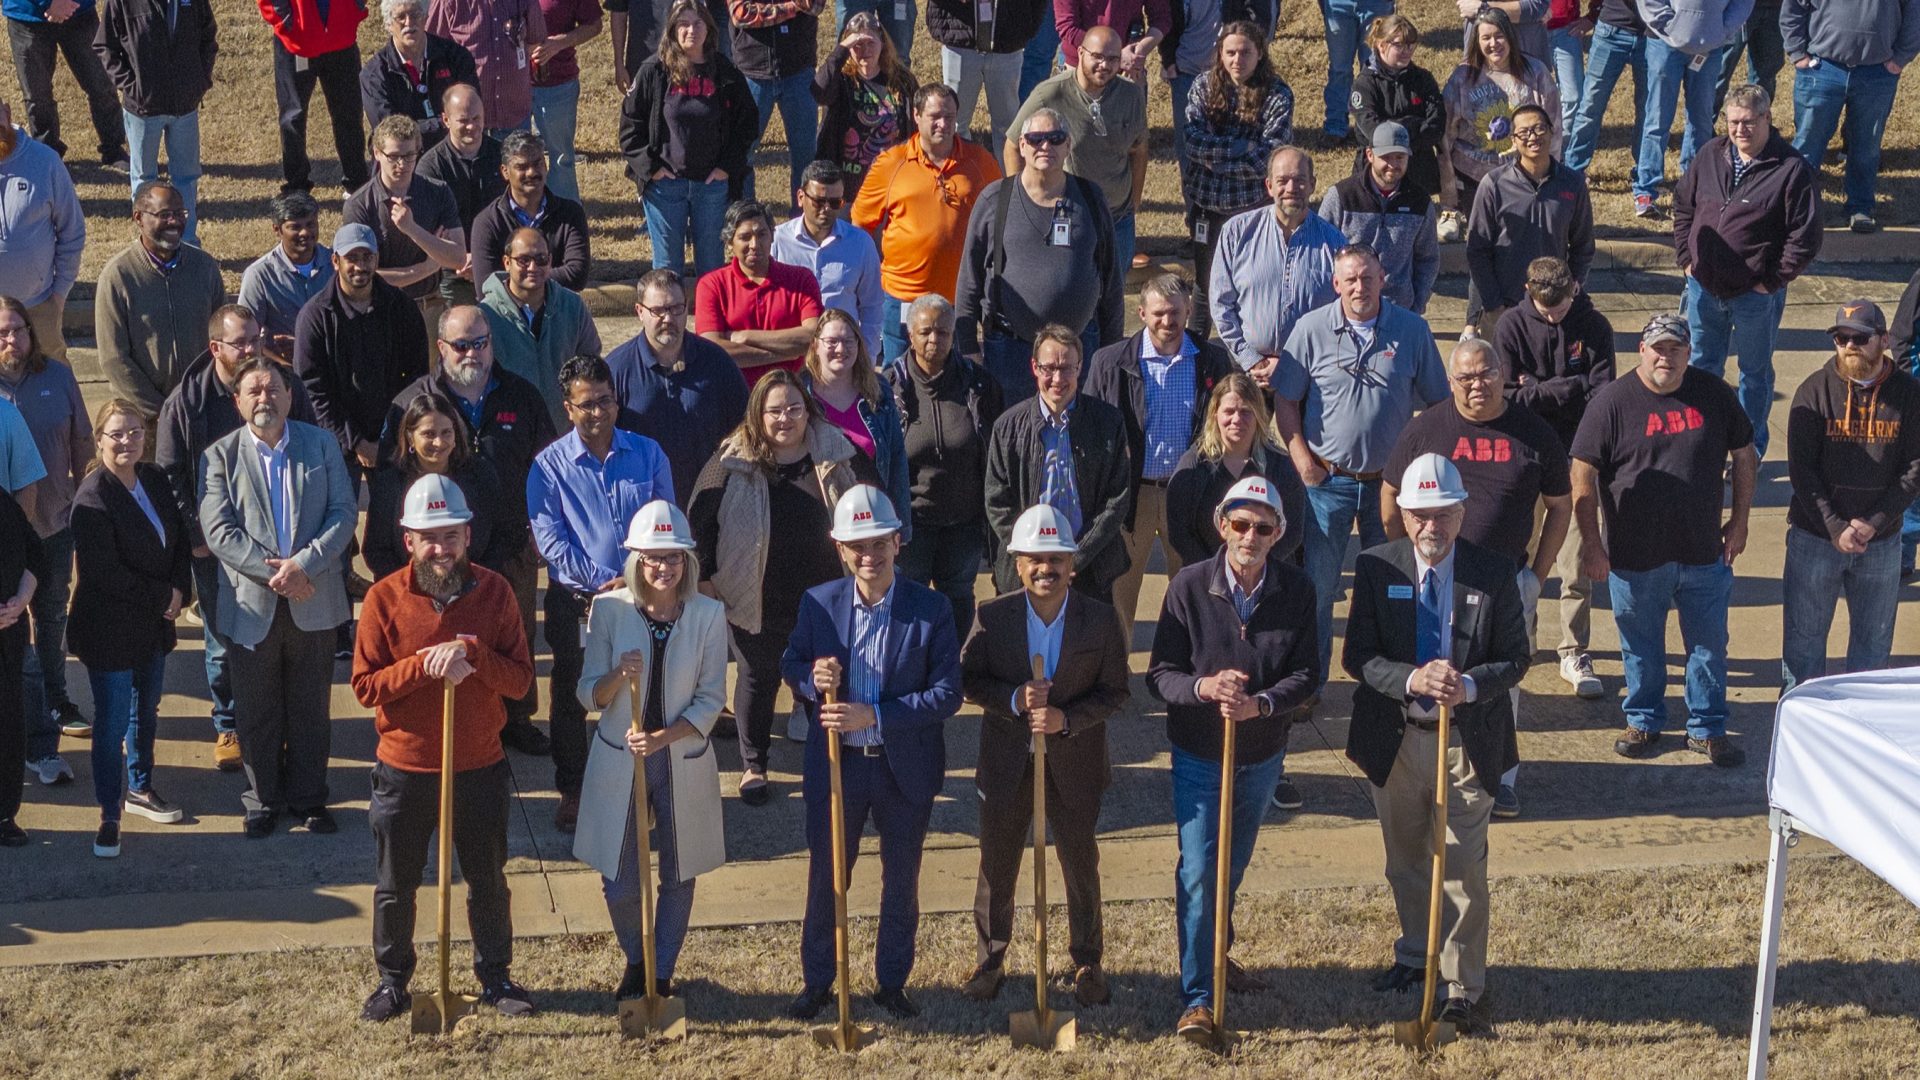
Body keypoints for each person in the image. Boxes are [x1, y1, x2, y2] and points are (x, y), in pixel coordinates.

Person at [1342, 452, 1530, 1036]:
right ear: (1401, 514)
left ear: (1461, 513)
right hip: (1395, 741)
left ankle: (1462, 988)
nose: (1432, 527)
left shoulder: (1494, 574)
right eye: (1421, 515)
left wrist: (1469, 685)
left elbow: (1517, 659)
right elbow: (1357, 657)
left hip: (1467, 744)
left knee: (1462, 868)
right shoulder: (1376, 568)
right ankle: (1416, 955)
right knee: (1405, 861)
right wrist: (1409, 679)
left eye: (1443, 515)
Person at [351, 473, 536, 1022]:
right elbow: (365, 687)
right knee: (396, 883)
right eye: (429, 537)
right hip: (404, 768)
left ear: (468, 536)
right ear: (408, 539)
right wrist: (421, 666)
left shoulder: (496, 592)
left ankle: (496, 977)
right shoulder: (383, 598)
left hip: (478, 763)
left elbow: (522, 683)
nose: (440, 548)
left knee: (487, 880)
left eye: (450, 535)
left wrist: (475, 655)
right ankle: (392, 982)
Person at [780, 484, 964, 1023]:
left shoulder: (931, 609)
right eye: (858, 545)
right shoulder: (819, 603)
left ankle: (890, 983)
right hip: (835, 768)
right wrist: (811, 680)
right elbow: (791, 661)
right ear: (840, 549)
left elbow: (947, 693)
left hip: (902, 768)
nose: (869, 555)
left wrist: (875, 715)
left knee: (901, 879)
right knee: (827, 878)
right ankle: (818, 983)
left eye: (879, 542)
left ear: (898, 541)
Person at [1148, 474, 1316, 1041]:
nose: (1249, 535)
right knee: (1198, 869)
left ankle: (1217, 954)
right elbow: (1160, 675)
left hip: (1262, 753)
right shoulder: (1187, 586)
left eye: (1261, 527)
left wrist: (1263, 705)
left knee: (1231, 866)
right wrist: (1204, 688)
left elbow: (1308, 674)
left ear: (1278, 535)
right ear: (1222, 526)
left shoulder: (1297, 590)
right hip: (1198, 752)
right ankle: (1197, 999)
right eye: (1239, 523)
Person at [1382, 338, 1571, 819]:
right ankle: (1428, 772)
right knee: (1429, 672)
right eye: (1465, 378)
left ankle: (1499, 777)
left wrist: (1537, 575)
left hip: (1505, 585)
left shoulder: (1534, 432)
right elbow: (1390, 495)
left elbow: (1559, 506)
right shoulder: (1428, 429)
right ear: (1450, 382)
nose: (1476, 385)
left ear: (1503, 372)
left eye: (1485, 374)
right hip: (1436, 581)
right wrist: (1406, 558)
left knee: (1500, 681)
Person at [959, 503, 1130, 1005]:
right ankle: (990, 960)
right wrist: (1014, 699)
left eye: (1056, 559)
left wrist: (1066, 719)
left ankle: (1087, 961)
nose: (1045, 569)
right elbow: (969, 680)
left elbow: (1116, 691)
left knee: (1081, 864)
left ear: (1072, 564)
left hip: (1074, 764)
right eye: (1034, 559)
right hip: (1008, 762)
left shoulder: (1099, 620)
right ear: (1016, 563)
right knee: (998, 865)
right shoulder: (992, 618)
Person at [1570, 313, 1757, 767]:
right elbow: (1581, 476)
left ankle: (1707, 728)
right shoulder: (1612, 403)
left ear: (1688, 353)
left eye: (1675, 349)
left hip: (1703, 553)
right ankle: (1645, 720)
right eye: (1657, 348)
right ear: (1641, 349)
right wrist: (1592, 546)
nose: (1665, 357)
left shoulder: (1714, 394)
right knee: (1641, 647)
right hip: (1635, 558)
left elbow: (1745, 455)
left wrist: (1740, 522)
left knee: (1709, 647)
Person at [687, 369, 880, 805]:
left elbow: (873, 501)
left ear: (807, 410)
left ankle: (826, 759)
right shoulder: (729, 462)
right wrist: (703, 578)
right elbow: (699, 522)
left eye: (794, 408)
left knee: (823, 680)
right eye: (774, 410)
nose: (785, 418)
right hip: (755, 597)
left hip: (827, 599)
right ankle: (754, 765)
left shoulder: (838, 452)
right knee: (758, 679)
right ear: (758, 414)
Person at [382, 304, 555, 756]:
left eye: (481, 343)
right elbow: (387, 478)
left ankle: (516, 718)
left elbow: (549, 466)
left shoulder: (522, 396)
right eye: (461, 345)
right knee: (442, 641)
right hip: (432, 556)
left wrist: (540, 528)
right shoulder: (411, 402)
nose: (472, 353)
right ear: (441, 348)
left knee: (511, 638)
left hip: (510, 545)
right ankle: (446, 716)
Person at [574, 499, 728, 1001]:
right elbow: (587, 693)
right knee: (618, 878)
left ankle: (661, 973)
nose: (664, 567)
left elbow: (711, 698)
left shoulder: (708, 614)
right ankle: (638, 961)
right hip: (620, 756)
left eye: (674, 557)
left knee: (678, 872)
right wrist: (619, 675)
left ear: (688, 561)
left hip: (678, 755)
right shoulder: (609, 610)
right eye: (653, 557)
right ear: (636, 560)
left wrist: (664, 736)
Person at [1274, 245, 1448, 687]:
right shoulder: (1310, 330)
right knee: (1316, 588)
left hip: (1389, 488)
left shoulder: (1411, 331)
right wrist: (1303, 463)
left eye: (1367, 278)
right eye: (1349, 279)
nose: (1359, 287)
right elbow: (1286, 401)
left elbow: (1439, 404)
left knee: (1390, 587)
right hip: (1325, 482)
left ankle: (1385, 681)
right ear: (1336, 284)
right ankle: (1309, 683)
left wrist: (1416, 468)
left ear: (1382, 279)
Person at [155, 305, 317, 774]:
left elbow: (311, 444)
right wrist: (197, 535)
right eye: (240, 343)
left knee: (278, 634)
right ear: (215, 349)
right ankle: (228, 723)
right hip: (215, 545)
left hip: (280, 538)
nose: (250, 349)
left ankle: (276, 724)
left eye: (254, 338)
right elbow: (170, 475)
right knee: (222, 637)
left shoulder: (285, 386)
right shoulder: (185, 404)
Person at [200, 355, 356, 837]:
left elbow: (344, 512)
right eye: (254, 391)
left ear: (290, 397)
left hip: (314, 598)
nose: (264, 398)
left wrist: (303, 565)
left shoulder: (321, 443)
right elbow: (218, 530)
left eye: (273, 390)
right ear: (238, 401)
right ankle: (262, 800)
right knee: (257, 711)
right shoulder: (219, 456)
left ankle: (310, 799)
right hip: (252, 607)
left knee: (311, 710)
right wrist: (276, 574)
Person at [528, 355, 675, 831]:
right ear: (568, 408)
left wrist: (633, 578)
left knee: (646, 690)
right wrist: (602, 583)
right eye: (587, 404)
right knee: (575, 694)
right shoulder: (547, 467)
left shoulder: (649, 453)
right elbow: (550, 540)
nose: (598, 413)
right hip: (577, 602)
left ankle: (642, 785)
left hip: (643, 595)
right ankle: (573, 788)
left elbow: (664, 521)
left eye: (606, 401)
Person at [68, 398, 192, 857]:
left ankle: (141, 788)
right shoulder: (92, 499)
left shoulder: (154, 479)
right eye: (117, 434)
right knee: (112, 720)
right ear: (99, 440)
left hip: (152, 627)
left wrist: (181, 588)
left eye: (135, 432)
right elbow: (105, 573)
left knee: (147, 710)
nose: (127, 441)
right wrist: (165, 597)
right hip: (110, 630)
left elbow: (177, 539)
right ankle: (109, 811)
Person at [1672, 84, 1821, 459]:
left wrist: (1769, 282)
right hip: (1704, 289)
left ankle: (1749, 451)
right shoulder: (1710, 154)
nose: (1740, 130)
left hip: (1754, 297)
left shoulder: (1791, 169)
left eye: (1749, 122)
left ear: (1767, 118)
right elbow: (1683, 206)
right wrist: (1686, 260)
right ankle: (1703, 442)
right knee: (1703, 366)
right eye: (1733, 121)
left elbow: (1804, 237)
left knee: (1753, 375)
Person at [1084, 272, 1234, 635]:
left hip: (1189, 494)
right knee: (1119, 594)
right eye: (1158, 314)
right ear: (1142, 313)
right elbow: (1088, 428)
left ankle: (1187, 678)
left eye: (1174, 313)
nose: (1167, 322)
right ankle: (1115, 682)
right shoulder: (1110, 362)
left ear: (1188, 311)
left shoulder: (1212, 361)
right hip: (1129, 497)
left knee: (1193, 594)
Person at [1781, 301, 1920, 691]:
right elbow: (1802, 472)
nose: (1850, 346)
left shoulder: (1910, 396)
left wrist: (1873, 523)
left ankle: (1860, 736)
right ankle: (1800, 732)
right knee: (1803, 647)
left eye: (1860, 337)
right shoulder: (1813, 391)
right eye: (1842, 338)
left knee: (1873, 649)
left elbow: (1914, 470)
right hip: (1815, 537)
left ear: (1885, 340)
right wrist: (1836, 527)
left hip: (1882, 542)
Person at [1492, 256, 1614, 699]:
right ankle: (1519, 641)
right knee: (1518, 556)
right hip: (1525, 457)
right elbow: (1506, 397)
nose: (1553, 317)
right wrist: (1568, 385)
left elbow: (1602, 395)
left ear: (1573, 291)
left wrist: (1537, 388)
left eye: (1560, 310)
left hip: (1579, 458)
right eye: (1545, 311)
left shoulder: (1595, 326)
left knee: (1577, 559)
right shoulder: (1509, 327)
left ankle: (1574, 650)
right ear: (1528, 290)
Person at [954, 110, 1124, 403]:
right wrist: (968, 344)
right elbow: (970, 277)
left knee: (1079, 440)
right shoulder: (995, 200)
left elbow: (1110, 280)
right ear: (1021, 145)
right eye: (1035, 139)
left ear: (1068, 145)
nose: (1045, 146)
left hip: (1081, 350)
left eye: (1055, 138)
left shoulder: (1091, 198)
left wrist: (1110, 351)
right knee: (1014, 439)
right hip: (1010, 352)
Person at [0, 294, 90, 769]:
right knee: (13, 627)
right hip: (7, 542)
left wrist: (84, 510)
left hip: (54, 523)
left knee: (52, 618)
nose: (11, 339)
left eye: (18, 329)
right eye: (2, 332)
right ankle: (23, 715)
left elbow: (82, 443)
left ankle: (57, 702)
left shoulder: (57, 376)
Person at [851, 83, 1001, 363]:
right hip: (902, 297)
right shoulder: (891, 163)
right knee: (900, 376)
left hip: (960, 298)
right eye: (935, 116)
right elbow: (860, 224)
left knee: (957, 377)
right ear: (917, 115)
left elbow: (1002, 216)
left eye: (950, 116)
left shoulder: (980, 162)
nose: (943, 124)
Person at [885, 294, 1003, 643]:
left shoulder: (979, 386)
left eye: (943, 332)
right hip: (911, 526)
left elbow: (994, 450)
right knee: (909, 603)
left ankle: (951, 668)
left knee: (958, 599)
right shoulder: (888, 389)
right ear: (910, 333)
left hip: (963, 524)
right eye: (925, 332)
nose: (934, 340)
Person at [984, 325, 1132, 603]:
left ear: (1080, 368)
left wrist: (1076, 556)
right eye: (1049, 368)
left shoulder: (1108, 422)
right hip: (1026, 569)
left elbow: (1117, 498)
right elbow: (997, 502)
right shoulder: (1007, 427)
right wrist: (1035, 555)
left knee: (1088, 646)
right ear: (1034, 367)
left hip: (1090, 567)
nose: (1057, 378)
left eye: (1066, 368)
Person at [622, 0, 757, 280]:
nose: (690, 30)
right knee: (667, 270)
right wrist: (652, 169)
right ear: (671, 30)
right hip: (665, 187)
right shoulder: (653, 72)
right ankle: (666, 323)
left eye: (697, 23)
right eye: (683, 24)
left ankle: (710, 324)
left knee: (712, 268)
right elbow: (630, 128)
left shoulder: (725, 71)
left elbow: (747, 125)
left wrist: (725, 168)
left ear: (709, 28)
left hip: (711, 187)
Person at [1178, 20, 1292, 341]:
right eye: (1230, 52)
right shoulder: (1202, 86)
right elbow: (1193, 143)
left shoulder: (1278, 93)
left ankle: (1247, 351)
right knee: (1204, 284)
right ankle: (1198, 354)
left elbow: (1269, 159)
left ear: (1260, 54)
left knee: (1250, 283)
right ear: (1220, 53)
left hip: (1252, 210)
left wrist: (1217, 160)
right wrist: (1240, 147)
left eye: (1245, 52)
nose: (1237, 60)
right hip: (1208, 208)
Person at [293, 223, 432, 476]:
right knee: (341, 515)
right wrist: (356, 442)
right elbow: (313, 389)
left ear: (377, 258)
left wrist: (394, 435)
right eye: (352, 258)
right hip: (335, 442)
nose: (360, 266)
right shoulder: (314, 317)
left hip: (396, 440)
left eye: (367, 257)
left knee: (395, 515)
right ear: (335, 261)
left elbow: (418, 377)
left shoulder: (402, 308)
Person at [1008, 26, 1148, 273]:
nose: (1105, 65)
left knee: (1114, 299)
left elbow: (1139, 149)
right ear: (1081, 53)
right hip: (1073, 217)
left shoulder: (1130, 94)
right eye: (1097, 57)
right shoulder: (1050, 94)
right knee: (1074, 296)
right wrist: (1024, 200)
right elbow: (1012, 145)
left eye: (1113, 59)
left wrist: (1134, 201)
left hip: (1119, 220)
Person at [605, 268, 750, 502]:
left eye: (676, 309)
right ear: (639, 312)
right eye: (658, 311)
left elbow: (745, 429)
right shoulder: (616, 370)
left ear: (687, 309)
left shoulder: (717, 363)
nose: (668, 319)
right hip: (642, 510)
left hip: (709, 504)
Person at [1208, 146, 1346, 383]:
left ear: (1312, 184)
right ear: (1269, 185)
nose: (1291, 188)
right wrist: (1251, 359)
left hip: (1310, 374)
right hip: (1246, 371)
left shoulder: (1335, 243)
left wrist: (1292, 365)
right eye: (1283, 180)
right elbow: (1221, 304)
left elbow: (1342, 314)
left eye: (1299, 180)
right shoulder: (1237, 232)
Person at [93, 182, 223, 432]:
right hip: (146, 422)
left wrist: (206, 396)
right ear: (139, 218)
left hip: (203, 410)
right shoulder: (118, 276)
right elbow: (114, 358)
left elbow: (220, 340)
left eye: (179, 213)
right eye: (164, 215)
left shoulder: (205, 268)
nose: (174, 222)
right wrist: (161, 411)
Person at [1782, 0, 1918, 233]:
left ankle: (1860, 207)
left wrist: (1900, 58)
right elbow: (1793, 9)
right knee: (1808, 144)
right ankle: (1795, 207)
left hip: (1876, 74)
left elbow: (1915, 14)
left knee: (1867, 146)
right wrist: (1797, 53)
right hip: (1821, 69)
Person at [1462, 104, 1593, 338]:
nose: (1532, 137)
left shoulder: (1573, 184)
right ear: (1513, 140)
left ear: (1552, 132)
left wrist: (1569, 290)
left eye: (1539, 128)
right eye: (1523, 132)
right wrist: (1493, 305)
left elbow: (1583, 245)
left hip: (1554, 307)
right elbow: (1477, 250)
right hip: (1504, 306)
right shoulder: (1494, 184)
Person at [94, 0, 215, 245]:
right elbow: (105, 45)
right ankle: (149, 241)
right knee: (143, 179)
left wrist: (200, 80)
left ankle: (187, 241)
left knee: (186, 177)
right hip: (142, 110)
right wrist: (132, 86)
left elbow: (208, 36)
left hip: (184, 107)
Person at [363, 393, 521, 581]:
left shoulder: (481, 475)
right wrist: (415, 586)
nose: (438, 442)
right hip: (410, 593)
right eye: (429, 434)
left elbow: (504, 534)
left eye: (446, 432)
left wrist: (472, 581)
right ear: (410, 437)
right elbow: (376, 551)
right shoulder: (389, 484)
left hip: (474, 590)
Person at [1438, 10, 1560, 243]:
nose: (1494, 44)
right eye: (1486, 38)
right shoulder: (1462, 78)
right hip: (1474, 176)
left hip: (1523, 177)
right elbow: (1445, 140)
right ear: (1477, 41)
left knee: (1519, 241)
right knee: (1483, 241)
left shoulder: (1536, 73)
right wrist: (1449, 198)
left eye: (1499, 36)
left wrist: (1548, 179)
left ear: (1511, 37)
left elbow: (1553, 132)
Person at [1166, 371, 1306, 568]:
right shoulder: (1194, 465)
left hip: (1268, 576)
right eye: (1229, 411)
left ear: (1259, 416)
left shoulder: (1280, 465)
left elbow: (1292, 533)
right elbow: (1180, 533)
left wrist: (1255, 569)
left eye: (1246, 411)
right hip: (1207, 577)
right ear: (1215, 413)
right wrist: (1215, 572)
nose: (1237, 419)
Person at [800, 309, 911, 539]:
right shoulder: (800, 394)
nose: (841, 349)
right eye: (831, 342)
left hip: (871, 519)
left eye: (849, 341)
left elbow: (897, 459)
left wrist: (902, 528)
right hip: (816, 520)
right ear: (815, 346)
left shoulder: (878, 391)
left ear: (859, 346)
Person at [344, 114, 468, 317]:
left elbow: (457, 258)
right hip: (380, 311)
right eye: (393, 157)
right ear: (377, 153)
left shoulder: (438, 192)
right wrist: (426, 268)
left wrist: (412, 229)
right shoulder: (359, 205)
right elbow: (362, 275)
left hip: (430, 306)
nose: (402, 164)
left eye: (410, 155)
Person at [479, 227, 602, 430]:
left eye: (541, 259)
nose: (533, 266)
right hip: (510, 434)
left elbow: (591, 367)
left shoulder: (573, 306)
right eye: (524, 260)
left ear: (551, 261)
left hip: (564, 433)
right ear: (507, 262)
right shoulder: (485, 315)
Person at [1631, 0, 1744, 219]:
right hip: (1663, 43)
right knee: (1657, 118)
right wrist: (1673, 28)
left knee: (1700, 120)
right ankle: (1645, 190)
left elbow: (1742, 4)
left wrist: (1720, 30)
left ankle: (1694, 185)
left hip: (1710, 47)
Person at [695, 199, 824, 387]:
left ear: (772, 236)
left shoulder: (801, 280)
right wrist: (788, 352)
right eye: (745, 237)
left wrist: (745, 337)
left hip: (793, 391)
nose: (755, 244)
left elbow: (814, 338)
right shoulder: (712, 285)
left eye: (762, 234)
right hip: (734, 392)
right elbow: (712, 351)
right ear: (729, 243)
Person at [1318, 121, 1440, 316]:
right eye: (1385, 157)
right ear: (1369, 155)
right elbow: (1320, 255)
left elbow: (1428, 259)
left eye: (1399, 157)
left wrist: (1416, 305)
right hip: (1348, 310)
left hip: (1399, 312)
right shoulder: (1342, 196)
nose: (1393, 165)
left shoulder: (1420, 203)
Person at [0, 94, 86, 364]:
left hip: (39, 307)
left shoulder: (45, 161)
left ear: (7, 112)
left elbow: (72, 232)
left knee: (53, 385)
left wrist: (58, 297)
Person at [773, 161, 884, 357]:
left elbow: (872, 306)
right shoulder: (777, 241)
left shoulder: (860, 243)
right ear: (800, 197)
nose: (826, 209)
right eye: (819, 201)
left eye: (835, 203)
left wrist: (867, 355)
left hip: (842, 355)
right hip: (790, 353)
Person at [259, 0, 368, 196]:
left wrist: (354, 8)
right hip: (296, 43)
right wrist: (287, 23)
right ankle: (296, 187)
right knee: (293, 118)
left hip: (341, 38)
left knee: (349, 113)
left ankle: (357, 183)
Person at [3, 0, 125, 171]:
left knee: (101, 84)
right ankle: (47, 152)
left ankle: (113, 149)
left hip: (78, 11)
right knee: (37, 94)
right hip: (27, 16)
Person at [1350, 15, 1447, 223]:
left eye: (1412, 45)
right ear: (1381, 45)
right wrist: (1412, 123)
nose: (1407, 51)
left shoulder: (1423, 79)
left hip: (1418, 168)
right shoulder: (1365, 85)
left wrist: (1396, 131)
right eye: (1400, 45)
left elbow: (1436, 126)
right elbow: (1372, 130)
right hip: (1376, 172)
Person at [469, 130, 593, 290]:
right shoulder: (487, 222)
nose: (532, 172)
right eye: (522, 167)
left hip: (559, 312)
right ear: (505, 171)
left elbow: (576, 275)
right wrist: (542, 278)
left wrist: (517, 278)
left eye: (537, 163)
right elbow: (486, 286)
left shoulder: (570, 214)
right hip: (507, 314)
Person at [812, 11, 915, 194]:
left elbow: (915, 124)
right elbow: (819, 92)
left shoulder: (901, 80)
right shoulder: (841, 79)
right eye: (857, 45)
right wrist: (841, 50)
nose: (865, 50)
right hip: (845, 185)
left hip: (891, 181)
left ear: (882, 44)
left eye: (871, 43)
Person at [925, 0, 1046, 157]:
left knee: (1007, 128)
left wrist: (1027, 25)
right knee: (954, 122)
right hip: (960, 39)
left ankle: (1007, 178)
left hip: (1007, 42)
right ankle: (959, 176)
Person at [728, 0, 819, 202]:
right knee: (743, 154)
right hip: (752, 71)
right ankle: (746, 219)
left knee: (805, 156)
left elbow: (815, 5)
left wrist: (767, 11)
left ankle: (802, 223)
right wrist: (792, 7)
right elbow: (742, 14)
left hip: (799, 70)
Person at [359, 0, 479, 149]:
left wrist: (421, 126)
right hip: (405, 159)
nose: (409, 23)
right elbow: (391, 132)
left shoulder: (456, 56)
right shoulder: (374, 75)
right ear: (388, 25)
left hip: (455, 151)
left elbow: (472, 110)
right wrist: (443, 123)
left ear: (426, 17)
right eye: (400, 17)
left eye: (415, 14)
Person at [427, 0, 546, 137]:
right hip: (467, 119)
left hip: (514, 112)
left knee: (517, 158)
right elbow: (431, 47)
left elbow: (536, 40)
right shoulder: (448, 2)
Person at [238, 192, 334, 360]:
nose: (304, 232)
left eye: (310, 224)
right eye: (295, 227)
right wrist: (283, 366)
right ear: (277, 229)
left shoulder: (335, 265)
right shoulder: (259, 276)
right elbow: (246, 339)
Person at [0, 482, 43, 846]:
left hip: (7, 641)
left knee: (8, 730)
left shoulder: (3, 501)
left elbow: (35, 553)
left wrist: (22, 598)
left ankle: (3, 815)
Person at [1562, 0, 1649, 181]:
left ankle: (1644, 174)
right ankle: (1573, 172)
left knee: (1648, 110)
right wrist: (1593, 15)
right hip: (1611, 31)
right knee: (1590, 107)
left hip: (1653, 36)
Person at [417, 86, 505, 261]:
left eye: (476, 118)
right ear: (446, 120)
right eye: (463, 120)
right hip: (448, 267)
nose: (471, 126)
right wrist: (462, 258)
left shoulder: (504, 157)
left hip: (499, 260)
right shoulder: (430, 167)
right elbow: (429, 228)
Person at [526, 0, 601, 202]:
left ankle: (565, 219)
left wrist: (561, 42)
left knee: (561, 158)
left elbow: (594, 25)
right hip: (510, 87)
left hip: (558, 85)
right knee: (514, 156)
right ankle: (516, 218)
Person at [605, 0, 730, 94]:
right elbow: (618, 12)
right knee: (644, 120)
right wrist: (619, 64)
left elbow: (719, 15)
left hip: (688, 63)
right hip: (643, 61)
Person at [1320, 0, 1397, 145]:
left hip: (1376, 5)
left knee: (1374, 68)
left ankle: (1372, 125)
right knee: (1339, 69)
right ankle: (1335, 127)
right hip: (1338, 4)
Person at [1055, 0, 1168, 75]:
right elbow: (1067, 27)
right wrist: (1115, 55)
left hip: (1128, 71)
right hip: (1080, 69)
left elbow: (1162, 19)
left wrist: (1141, 49)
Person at [1545, 1, 1598, 136]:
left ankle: (1563, 147)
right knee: (1529, 93)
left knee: (1573, 96)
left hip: (1566, 30)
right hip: (1529, 28)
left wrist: (1594, 16)